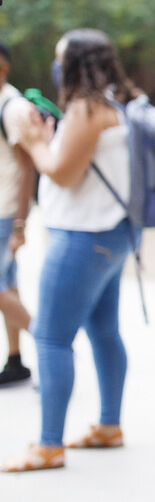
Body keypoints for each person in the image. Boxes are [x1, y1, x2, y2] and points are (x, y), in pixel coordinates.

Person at [1, 30, 138, 472]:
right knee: (103, 331)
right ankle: (108, 425)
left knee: (50, 338)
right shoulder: (117, 102)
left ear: (75, 63)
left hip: (84, 236)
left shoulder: (87, 106)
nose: (55, 66)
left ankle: (48, 445)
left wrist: (35, 141)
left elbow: (61, 173)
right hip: (112, 234)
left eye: (60, 58)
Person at [0, 40, 35, 387]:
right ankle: (15, 360)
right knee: (8, 285)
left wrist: (20, 224)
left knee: (1, 289)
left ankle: (50, 341)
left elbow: (28, 168)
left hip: (6, 214)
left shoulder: (12, 107)